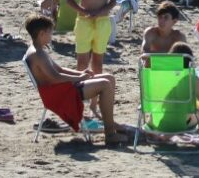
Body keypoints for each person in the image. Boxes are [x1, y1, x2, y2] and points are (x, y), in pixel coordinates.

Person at [23, 13, 127, 145]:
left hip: (61, 88)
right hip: (60, 94)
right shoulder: (38, 54)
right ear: (42, 33)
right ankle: (110, 133)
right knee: (105, 84)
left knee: (109, 78)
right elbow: (56, 78)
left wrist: (80, 74)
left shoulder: (37, 50)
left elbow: (59, 70)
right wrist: (78, 78)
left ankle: (110, 123)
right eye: (50, 32)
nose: (51, 36)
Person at [168, 41, 199, 114]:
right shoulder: (193, 79)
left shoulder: (163, 77)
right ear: (190, 62)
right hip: (182, 123)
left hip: (157, 122)